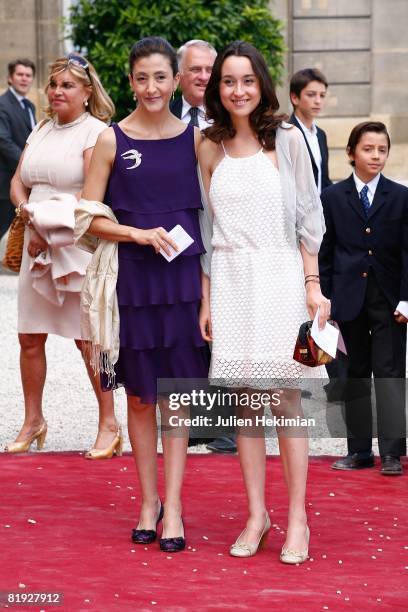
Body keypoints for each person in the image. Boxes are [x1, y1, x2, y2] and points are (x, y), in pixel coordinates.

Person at [198, 41, 330, 562]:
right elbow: (208, 231)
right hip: (231, 280)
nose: (238, 90)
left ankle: (298, 518)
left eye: (247, 81)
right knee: (247, 404)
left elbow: (308, 216)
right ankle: (257, 515)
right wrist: (207, 299)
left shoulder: (288, 140)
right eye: (228, 81)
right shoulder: (207, 146)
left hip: (280, 275)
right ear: (217, 89)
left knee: (286, 402)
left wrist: (312, 283)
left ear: (262, 85)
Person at [80, 37, 210, 552]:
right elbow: (86, 216)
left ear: (176, 81)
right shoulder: (111, 140)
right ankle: (148, 502)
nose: (151, 87)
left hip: (181, 287)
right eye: (142, 78)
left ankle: (174, 507)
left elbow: (213, 219)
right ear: (129, 82)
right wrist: (137, 234)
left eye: (161, 77)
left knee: (175, 398)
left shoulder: (197, 140)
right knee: (138, 396)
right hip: (132, 284)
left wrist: (209, 296)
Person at [5, 54, 119, 459]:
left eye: (67, 85)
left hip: (74, 243)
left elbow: (92, 195)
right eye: (53, 84)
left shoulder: (96, 133)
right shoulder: (40, 129)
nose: (56, 92)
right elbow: (18, 181)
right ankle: (33, 419)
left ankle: (108, 423)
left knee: (87, 339)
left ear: (87, 92)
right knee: (28, 336)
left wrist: (47, 227)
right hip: (35, 238)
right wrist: (27, 216)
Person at [319, 121, 407, 476]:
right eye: (368, 149)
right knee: (354, 373)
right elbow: (326, 252)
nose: (376, 156)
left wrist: (406, 300)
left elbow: (407, 253)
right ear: (352, 153)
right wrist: (324, 300)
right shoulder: (332, 197)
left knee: (388, 373)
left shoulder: (401, 197)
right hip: (347, 299)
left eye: (382, 150)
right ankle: (358, 451)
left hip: (389, 302)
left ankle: (391, 452)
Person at [0, 59, 36, 239]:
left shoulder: (30, 106)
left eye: (28, 75)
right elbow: (3, 141)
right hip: (5, 180)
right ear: (9, 78)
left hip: (23, 181)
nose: (24, 79)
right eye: (20, 74)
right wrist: (28, 165)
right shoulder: (2, 104)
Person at [289, 68, 331, 194]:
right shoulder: (285, 132)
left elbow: (324, 180)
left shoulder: (321, 135)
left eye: (322, 95)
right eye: (311, 94)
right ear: (295, 98)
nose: (318, 101)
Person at [170, 39, 216, 130]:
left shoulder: (229, 115)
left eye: (209, 70)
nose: (204, 77)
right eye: (196, 69)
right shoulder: (163, 115)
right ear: (179, 75)